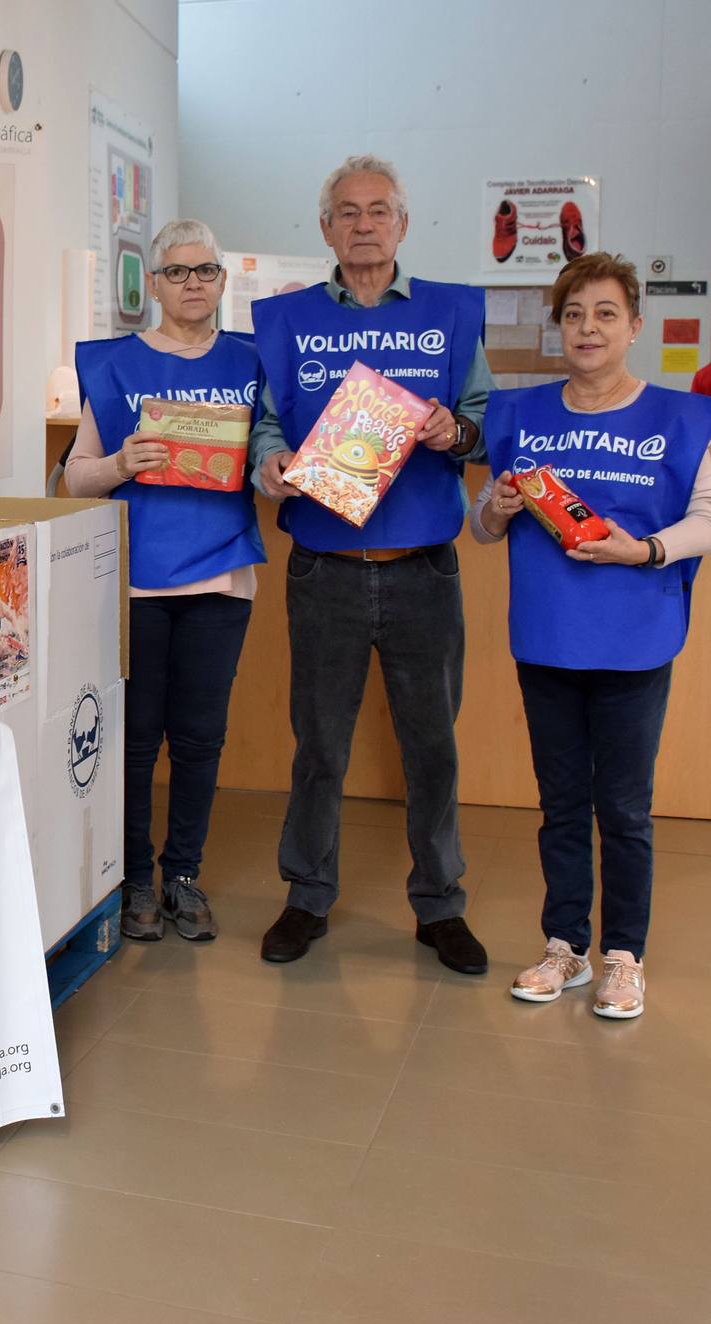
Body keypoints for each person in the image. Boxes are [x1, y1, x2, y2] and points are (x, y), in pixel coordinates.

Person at [249, 154, 493, 974]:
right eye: (346, 211)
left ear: (401, 224)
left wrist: (450, 433)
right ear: (325, 228)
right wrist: (270, 463)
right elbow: (265, 425)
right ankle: (307, 895)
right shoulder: (285, 326)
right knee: (318, 744)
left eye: (378, 210)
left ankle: (439, 905)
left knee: (432, 746)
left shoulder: (449, 318)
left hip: (424, 567)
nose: (362, 223)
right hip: (324, 567)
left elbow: (485, 424)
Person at [477, 252, 711, 1018]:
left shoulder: (682, 418)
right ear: (557, 326)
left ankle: (623, 955)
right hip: (547, 634)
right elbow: (484, 531)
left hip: (633, 637)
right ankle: (565, 946)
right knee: (559, 803)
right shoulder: (517, 416)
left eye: (603, 314)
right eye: (573, 314)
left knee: (622, 808)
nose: (586, 328)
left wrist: (642, 549)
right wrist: (494, 506)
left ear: (633, 327)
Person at [68, 219, 265, 944]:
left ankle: (183, 875)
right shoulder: (113, 366)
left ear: (221, 281)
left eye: (204, 271)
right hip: (134, 582)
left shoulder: (252, 362)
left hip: (220, 575)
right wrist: (120, 464)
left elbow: (276, 461)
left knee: (200, 738)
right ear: (152, 284)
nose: (191, 284)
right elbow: (71, 480)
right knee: (135, 739)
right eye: (176, 273)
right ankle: (134, 880)